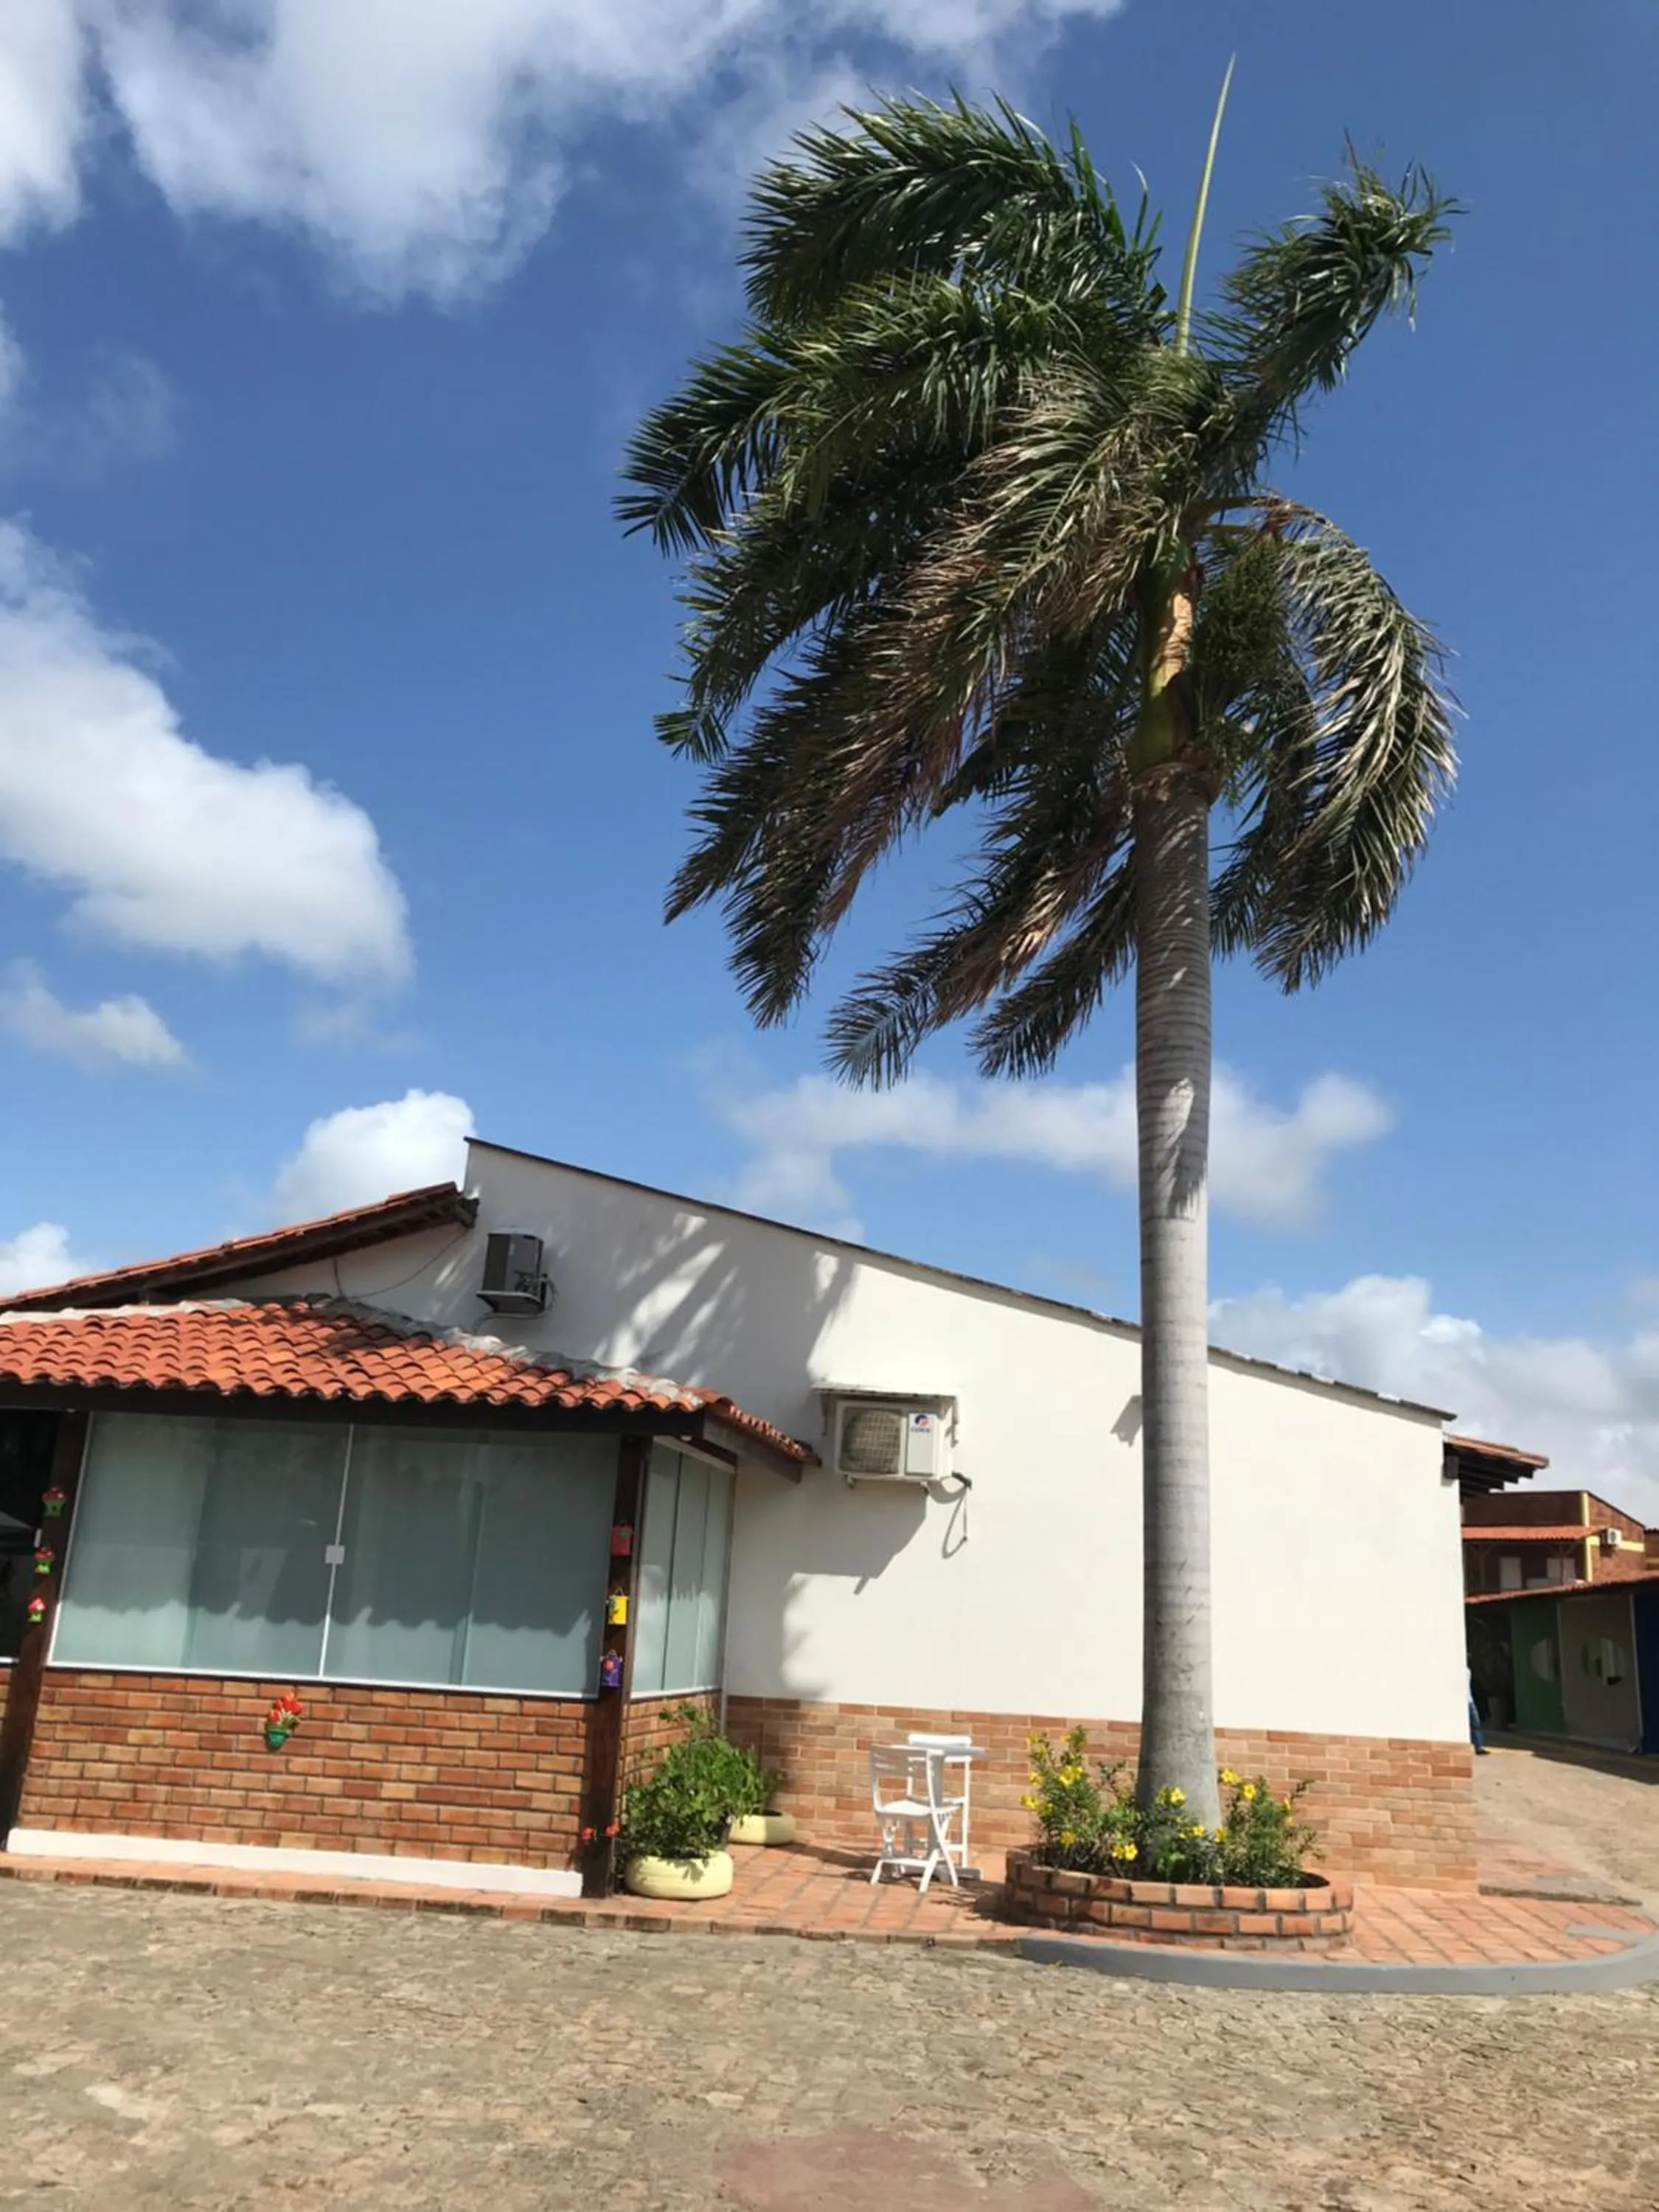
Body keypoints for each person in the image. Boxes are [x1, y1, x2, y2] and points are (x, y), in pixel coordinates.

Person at [1467, 1668, 1488, 1755]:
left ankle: (1479, 1747)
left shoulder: (1468, 1671)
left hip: (1470, 1701)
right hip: (1464, 1702)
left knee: (1476, 1724)